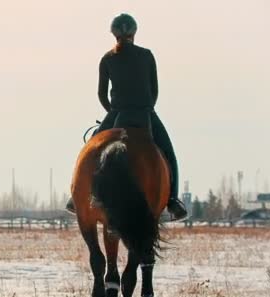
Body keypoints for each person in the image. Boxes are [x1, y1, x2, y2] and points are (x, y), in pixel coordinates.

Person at [66, 13, 188, 220]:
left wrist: (112, 112)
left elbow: (101, 94)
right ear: (134, 32)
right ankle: (173, 201)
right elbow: (154, 90)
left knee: (90, 151)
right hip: (145, 112)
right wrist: (145, 107)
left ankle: (81, 195)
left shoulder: (107, 59)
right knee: (168, 152)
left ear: (114, 34)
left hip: (117, 113)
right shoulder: (147, 55)